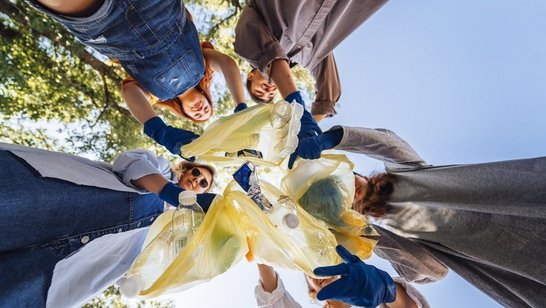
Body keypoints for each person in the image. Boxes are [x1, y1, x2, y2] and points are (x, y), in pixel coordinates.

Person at [289, 126, 546, 307]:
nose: (352, 194)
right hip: (521, 266)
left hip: (524, 198)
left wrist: (336, 138)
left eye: (343, 183)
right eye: (345, 201)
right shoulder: (389, 234)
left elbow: (389, 143)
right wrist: (366, 234)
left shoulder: (408, 175)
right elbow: (431, 270)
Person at [0, 142, 217, 307]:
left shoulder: (172, 233)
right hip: (47, 199)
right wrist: (170, 192)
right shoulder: (161, 171)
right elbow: (130, 163)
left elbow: (134, 270)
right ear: (188, 169)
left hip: (55, 271)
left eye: (203, 184)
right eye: (197, 173)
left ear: (203, 193)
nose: (197, 180)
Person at [27, 0, 247, 156]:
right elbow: (228, 64)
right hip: (161, 8)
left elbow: (129, 92)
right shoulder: (205, 66)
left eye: (196, 116)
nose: (202, 111)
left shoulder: (154, 95)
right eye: (207, 110)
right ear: (207, 96)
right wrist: (241, 106)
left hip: (110, 31)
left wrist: (157, 129)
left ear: (183, 112)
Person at [234, 0, 388, 122]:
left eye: (259, 91)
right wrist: (308, 130)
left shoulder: (245, 44)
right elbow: (329, 96)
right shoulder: (308, 57)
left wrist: (294, 103)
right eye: (272, 93)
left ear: (251, 76)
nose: (268, 91)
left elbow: (269, 56)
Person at [255, 246, 428, 308]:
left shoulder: (370, 297)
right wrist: (260, 246)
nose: (317, 274)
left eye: (325, 265)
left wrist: (386, 290)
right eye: (311, 271)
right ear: (312, 290)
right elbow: (273, 298)